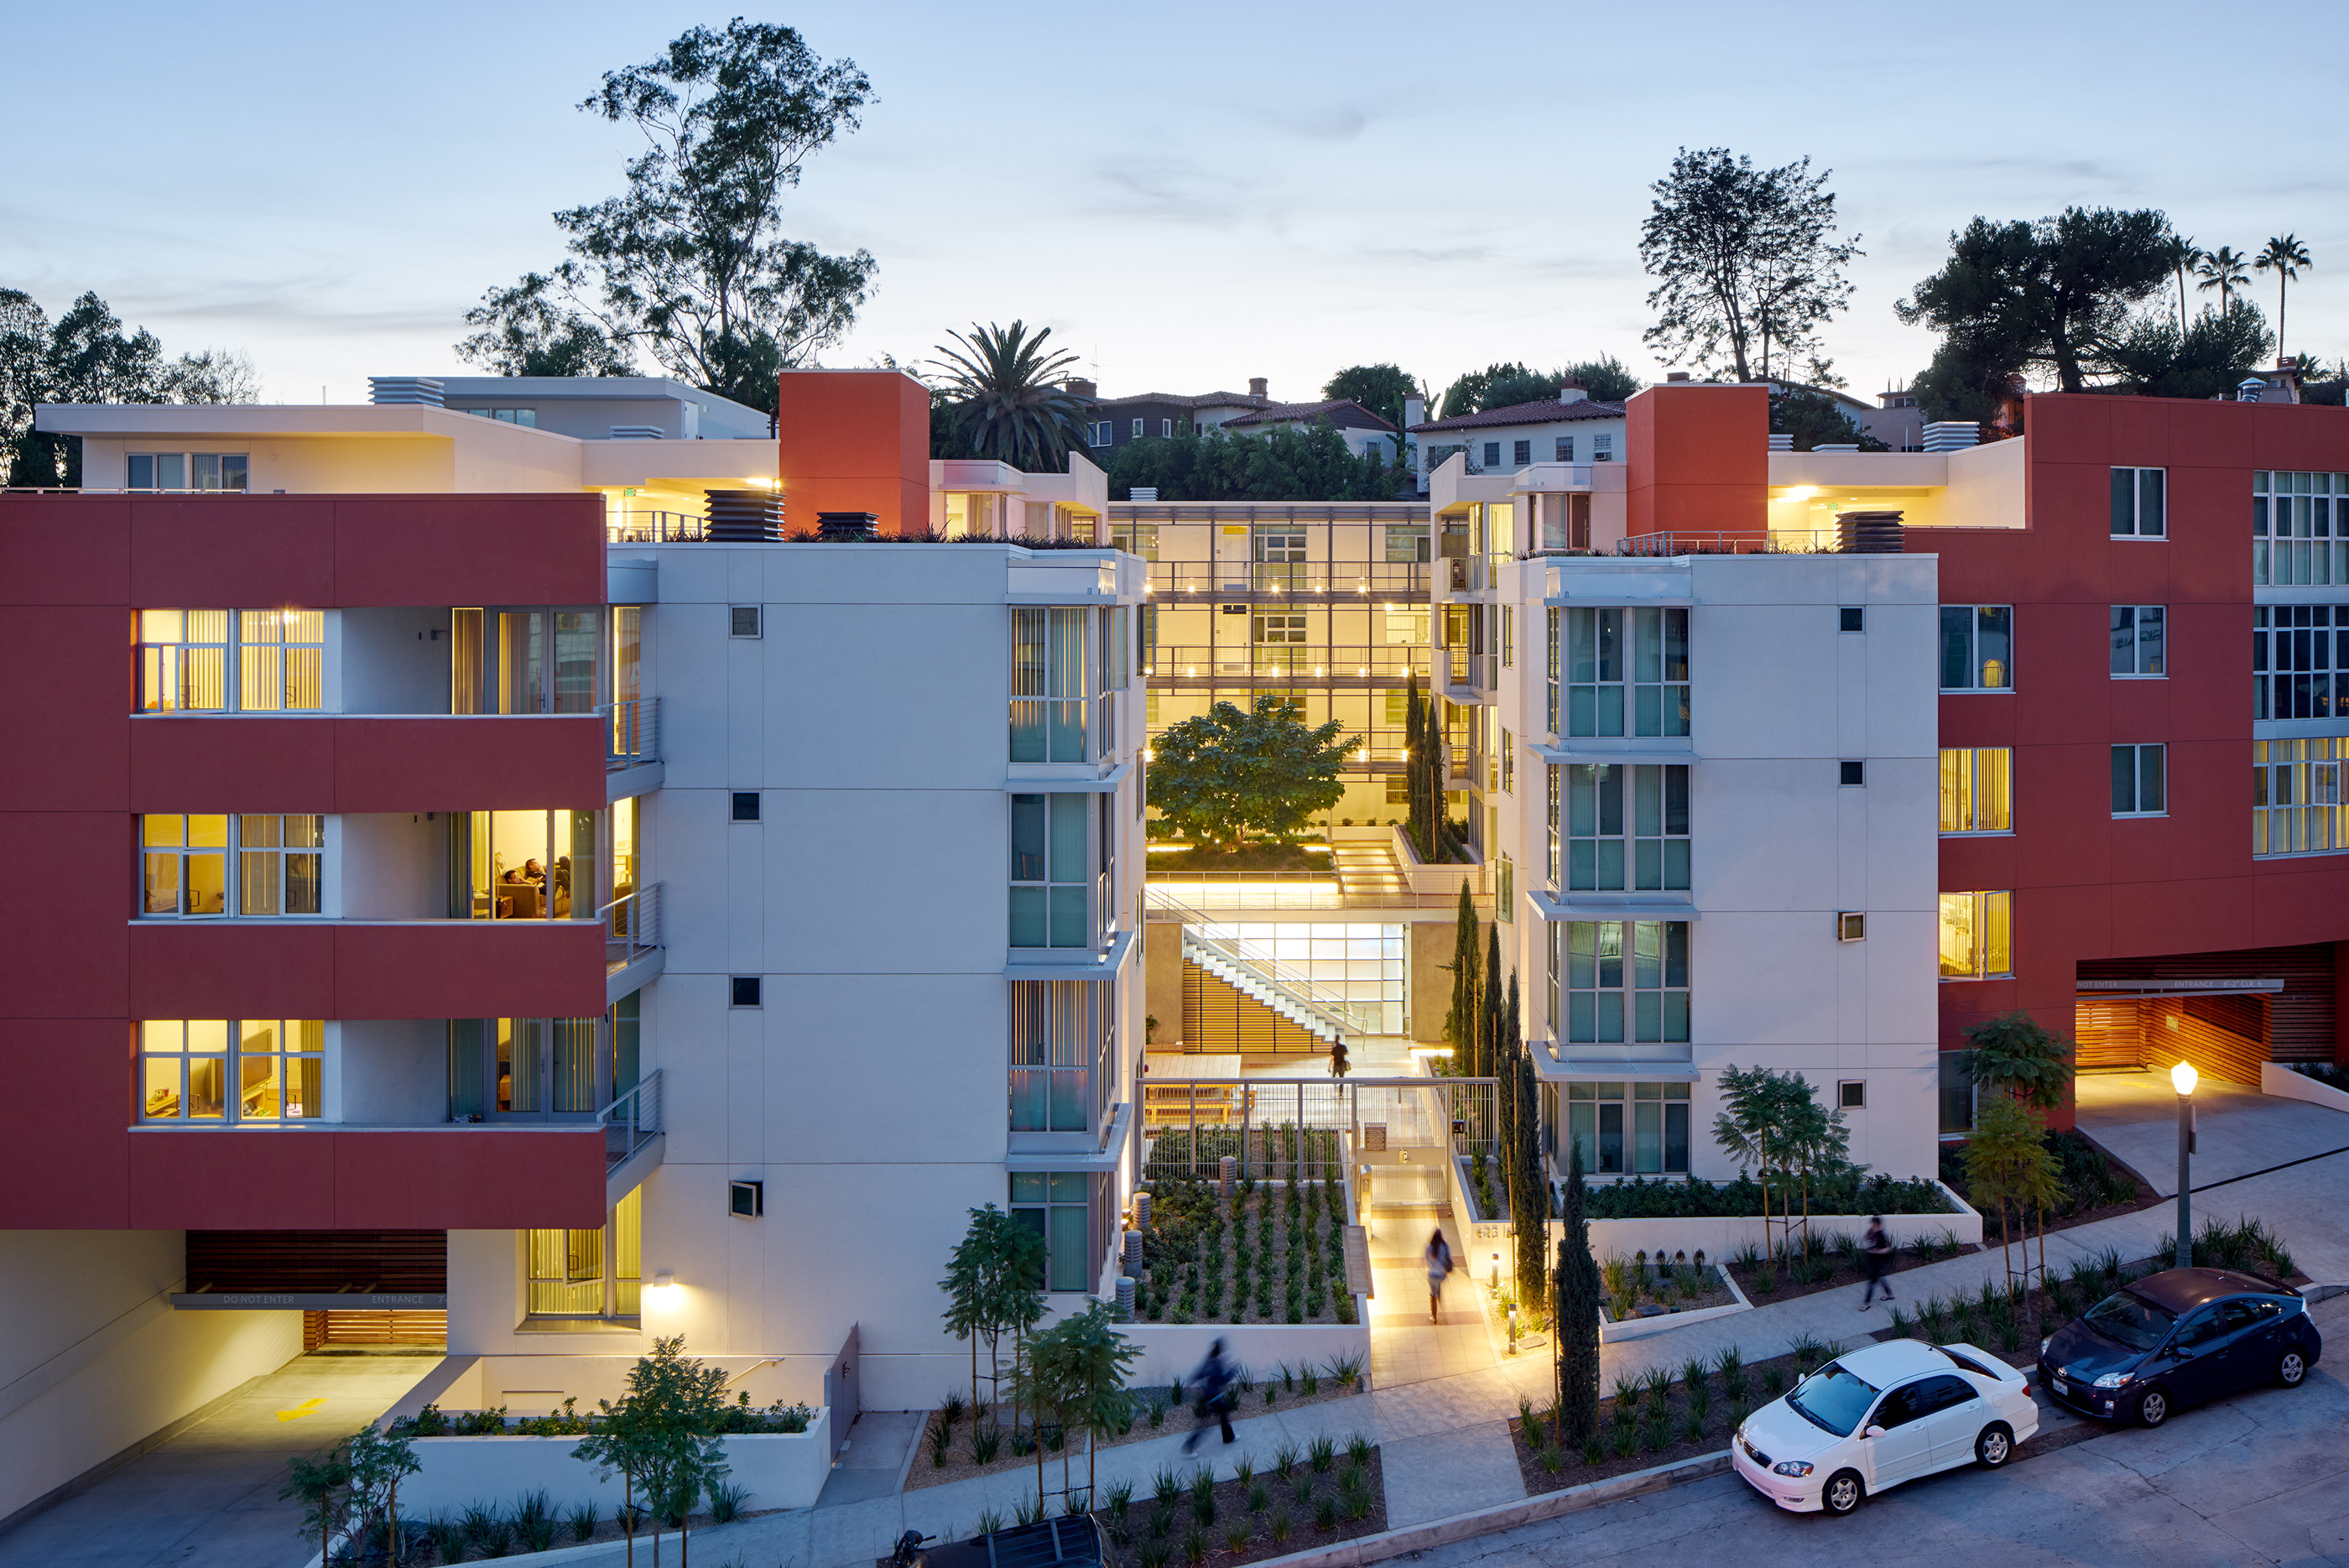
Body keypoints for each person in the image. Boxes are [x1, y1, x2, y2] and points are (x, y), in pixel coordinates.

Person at [1180, 1338, 1237, 1453]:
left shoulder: (1208, 1361)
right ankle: (1189, 1446)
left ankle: (1229, 1437)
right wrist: (1233, 1370)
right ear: (1220, 1350)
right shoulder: (1218, 1363)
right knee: (1206, 1423)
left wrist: (1188, 1385)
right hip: (1215, 1396)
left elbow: (1198, 1374)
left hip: (1209, 1395)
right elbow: (1223, 1380)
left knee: (1223, 1415)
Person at [1860, 1215, 1895, 1308]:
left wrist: (1875, 1251)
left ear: (1878, 1224)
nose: (1872, 1225)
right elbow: (1866, 1239)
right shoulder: (1871, 1233)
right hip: (1872, 1260)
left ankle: (1866, 1303)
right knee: (1880, 1278)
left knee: (1872, 1281)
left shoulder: (1882, 1236)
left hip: (1879, 1261)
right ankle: (1889, 1294)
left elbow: (1888, 1249)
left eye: (1874, 1224)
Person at [1425, 1228, 1454, 1323]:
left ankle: (1434, 1317)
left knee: (1432, 1294)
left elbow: (1428, 1261)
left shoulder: (1429, 1248)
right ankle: (1439, 1293)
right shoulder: (1445, 1246)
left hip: (1432, 1275)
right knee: (1438, 1284)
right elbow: (1449, 1258)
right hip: (1442, 1275)